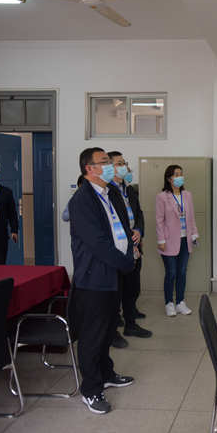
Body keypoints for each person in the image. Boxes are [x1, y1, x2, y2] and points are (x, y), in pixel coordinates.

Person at [68, 147, 135, 414]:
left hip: (113, 273)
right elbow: (97, 242)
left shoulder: (111, 193)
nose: (110, 166)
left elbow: (124, 229)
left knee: (108, 330)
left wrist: (128, 255)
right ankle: (91, 389)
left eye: (109, 161)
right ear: (90, 168)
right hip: (94, 277)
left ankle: (106, 373)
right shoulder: (81, 200)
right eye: (104, 162)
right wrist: (124, 262)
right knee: (92, 336)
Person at [108, 150, 152, 342]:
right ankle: (113, 331)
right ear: (110, 167)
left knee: (132, 287)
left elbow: (139, 213)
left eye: (124, 163)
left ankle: (131, 323)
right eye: (119, 163)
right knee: (116, 291)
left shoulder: (129, 189)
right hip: (119, 248)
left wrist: (139, 231)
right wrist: (129, 236)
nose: (124, 166)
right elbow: (113, 221)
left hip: (135, 243)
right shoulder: (107, 191)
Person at [156, 165, 199, 317]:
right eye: (176, 174)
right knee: (171, 272)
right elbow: (159, 220)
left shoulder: (187, 195)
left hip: (185, 239)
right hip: (168, 241)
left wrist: (194, 233)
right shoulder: (162, 197)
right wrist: (161, 239)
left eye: (181, 174)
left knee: (182, 272)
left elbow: (191, 217)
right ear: (169, 178)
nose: (180, 177)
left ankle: (180, 302)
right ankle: (169, 303)